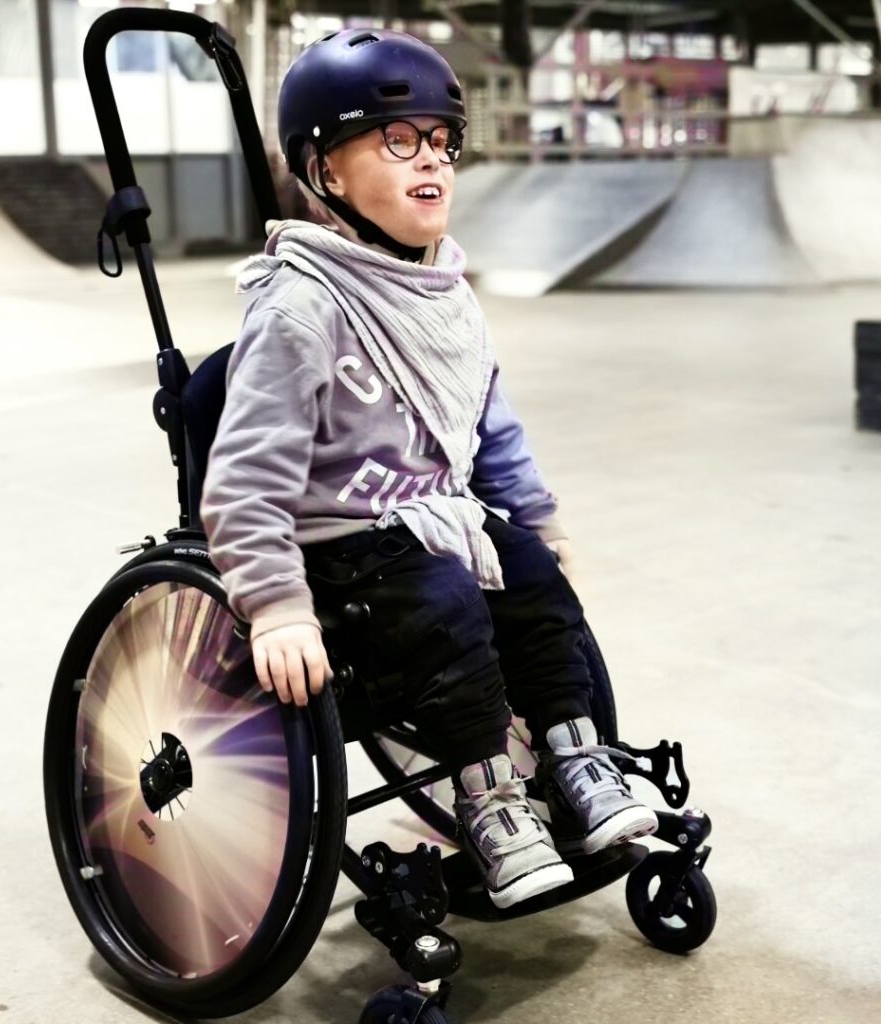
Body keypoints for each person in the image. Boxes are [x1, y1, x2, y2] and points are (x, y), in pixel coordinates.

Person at [200, 27, 657, 909]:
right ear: (326, 171)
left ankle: (576, 758)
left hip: (435, 517)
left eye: (444, 142)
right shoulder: (301, 305)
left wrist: (537, 519)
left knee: (532, 577)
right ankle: (490, 802)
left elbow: (493, 427)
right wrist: (276, 607)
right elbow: (246, 478)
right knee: (446, 604)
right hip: (342, 542)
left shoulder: (445, 291)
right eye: (398, 139)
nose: (433, 161)